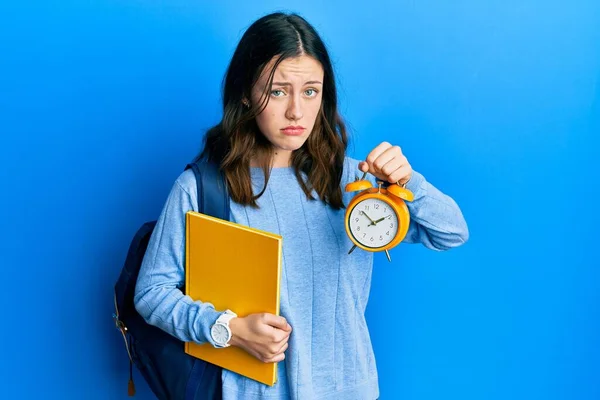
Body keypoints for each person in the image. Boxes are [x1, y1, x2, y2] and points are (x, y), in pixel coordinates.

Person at [134, 11, 468, 400]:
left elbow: (452, 232)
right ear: (246, 94)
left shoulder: (352, 184)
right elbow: (151, 292)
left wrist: (409, 182)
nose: (296, 111)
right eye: (277, 91)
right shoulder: (202, 189)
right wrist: (229, 329)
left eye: (310, 91)